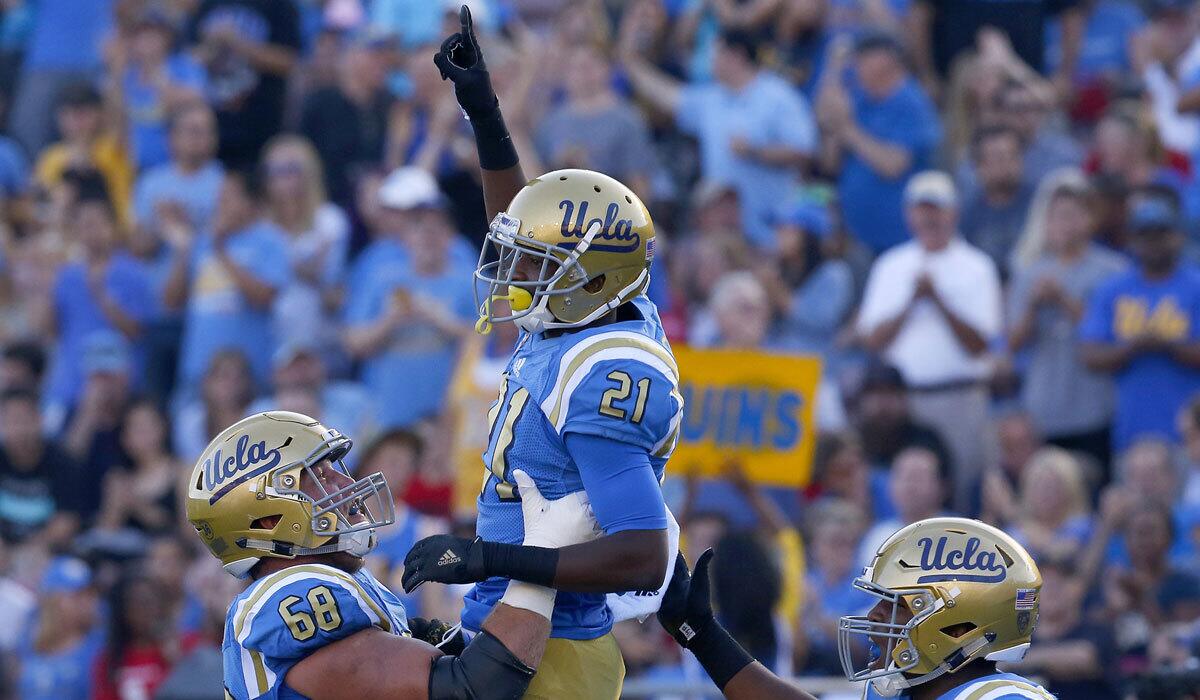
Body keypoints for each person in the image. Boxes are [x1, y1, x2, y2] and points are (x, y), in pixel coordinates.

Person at [400, 11, 679, 698]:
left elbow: (644, 555)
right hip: (515, 625)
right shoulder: (586, 311)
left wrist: (486, 557)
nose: (514, 273)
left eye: (536, 265)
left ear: (587, 279)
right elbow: (516, 219)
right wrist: (484, 112)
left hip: (555, 652)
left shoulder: (604, 372)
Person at [186, 410, 599, 699]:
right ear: (266, 520)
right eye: (317, 477)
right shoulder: (293, 595)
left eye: (334, 467)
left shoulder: (341, 580)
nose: (344, 484)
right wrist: (542, 559)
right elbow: (471, 690)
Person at [655, 517, 1051, 700]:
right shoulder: (901, 691)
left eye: (895, 603)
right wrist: (702, 635)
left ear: (958, 627)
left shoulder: (1003, 699)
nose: (874, 614)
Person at [856, 171, 1001, 512]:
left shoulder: (976, 266)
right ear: (909, 215)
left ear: (953, 213)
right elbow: (873, 340)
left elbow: (980, 344)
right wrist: (911, 301)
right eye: (921, 209)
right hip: (905, 402)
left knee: (963, 486)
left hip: (961, 395)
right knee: (906, 493)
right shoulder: (890, 266)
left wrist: (937, 298)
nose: (929, 217)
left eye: (936, 209)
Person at [621, 26, 816, 248]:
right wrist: (630, 62)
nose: (709, 60)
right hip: (723, 233)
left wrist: (756, 152)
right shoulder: (711, 99)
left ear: (736, 56)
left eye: (715, 53)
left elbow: (804, 151)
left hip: (771, 231)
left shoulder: (779, 96)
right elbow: (666, 95)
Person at [1006, 172, 1127, 466]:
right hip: (1042, 412)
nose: (1064, 223)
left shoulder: (1112, 271)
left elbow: (1119, 336)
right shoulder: (1029, 272)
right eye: (1057, 216)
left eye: (1072, 215)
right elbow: (1013, 343)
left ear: (1089, 219)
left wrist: (1064, 300)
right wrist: (1034, 305)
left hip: (1094, 408)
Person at [1080, 186, 1200, 453]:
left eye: (1161, 234)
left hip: (1190, 436)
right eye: (1146, 236)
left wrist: (1167, 344)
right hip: (1130, 430)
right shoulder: (1113, 289)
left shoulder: (1195, 286)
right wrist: (1132, 346)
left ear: (1179, 237)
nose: (1154, 244)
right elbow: (1089, 355)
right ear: (1133, 241)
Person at [164, 169, 290, 393]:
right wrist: (184, 252)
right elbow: (171, 301)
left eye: (230, 196)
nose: (220, 202)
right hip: (198, 372)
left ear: (253, 203)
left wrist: (221, 252)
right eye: (220, 195)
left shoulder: (270, 240)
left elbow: (264, 298)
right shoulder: (202, 241)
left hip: (247, 376)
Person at [818, 32, 942, 254]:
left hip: (900, 240)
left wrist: (846, 128)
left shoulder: (912, 103)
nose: (855, 65)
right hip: (855, 236)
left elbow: (893, 166)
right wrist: (833, 71)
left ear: (887, 59)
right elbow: (830, 161)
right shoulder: (860, 98)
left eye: (863, 57)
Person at [260, 135, 350, 365]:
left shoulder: (330, 220)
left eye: (291, 169)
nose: (283, 179)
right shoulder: (261, 226)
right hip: (271, 342)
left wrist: (310, 271)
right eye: (274, 171)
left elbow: (334, 288)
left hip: (320, 340)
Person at [186, 0, 300, 168]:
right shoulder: (206, 5)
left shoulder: (278, 5)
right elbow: (186, 59)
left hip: (261, 128)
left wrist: (238, 43)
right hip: (211, 129)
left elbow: (290, 62)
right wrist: (212, 46)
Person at [13, 557, 104, 700]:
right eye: (77, 596)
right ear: (52, 601)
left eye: (91, 594)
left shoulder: (100, 646)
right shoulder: (27, 644)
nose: (87, 603)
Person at [958, 126, 1036, 277]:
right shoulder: (967, 212)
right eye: (998, 157)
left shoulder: (1039, 203)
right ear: (979, 167)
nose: (1007, 164)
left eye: (1012, 156)